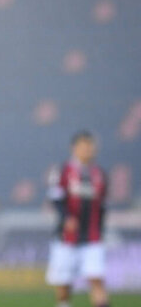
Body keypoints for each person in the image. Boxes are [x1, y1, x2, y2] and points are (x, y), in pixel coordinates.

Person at [46, 131, 110, 307]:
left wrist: (102, 230)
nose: (87, 150)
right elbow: (56, 199)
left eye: (90, 146)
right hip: (66, 238)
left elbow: (102, 207)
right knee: (64, 284)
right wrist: (67, 218)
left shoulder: (100, 175)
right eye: (83, 146)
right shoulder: (63, 171)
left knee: (97, 279)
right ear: (74, 148)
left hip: (92, 238)